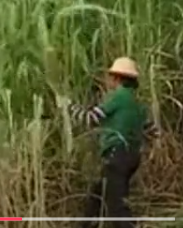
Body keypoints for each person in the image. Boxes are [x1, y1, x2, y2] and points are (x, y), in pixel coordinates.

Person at [63, 57, 158, 228]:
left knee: (116, 206)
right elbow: (153, 131)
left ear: (117, 78)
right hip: (132, 157)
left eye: (110, 77)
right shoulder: (137, 103)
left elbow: (91, 119)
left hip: (117, 154)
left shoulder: (117, 98)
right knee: (97, 196)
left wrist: (68, 106)